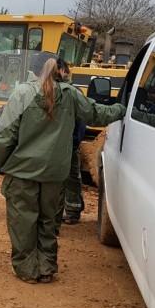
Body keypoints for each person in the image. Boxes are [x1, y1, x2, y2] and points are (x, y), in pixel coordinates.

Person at [0, 52, 126, 284]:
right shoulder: (70, 94)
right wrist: (124, 109)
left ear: (33, 70)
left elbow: (6, 134)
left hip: (23, 171)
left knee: (23, 220)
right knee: (48, 221)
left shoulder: (22, 93)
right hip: (55, 173)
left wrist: (0, 163)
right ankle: (46, 267)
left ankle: (27, 269)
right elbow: (97, 113)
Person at [53, 58, 87, 233]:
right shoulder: (59, 90)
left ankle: (73, 210)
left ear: (63, 71)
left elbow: (81, 121)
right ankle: (71, 209)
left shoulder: (72, 93)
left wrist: (74, 142)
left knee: (71, 178)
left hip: (68, 145)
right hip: (62, 144)